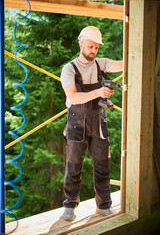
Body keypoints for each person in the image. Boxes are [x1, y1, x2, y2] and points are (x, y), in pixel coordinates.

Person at [60, 26, 123, 221]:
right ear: (81, 45)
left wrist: (133, 58)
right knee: (74, 166)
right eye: (90, 46)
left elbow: (121, 64)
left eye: (96, 47)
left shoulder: (100, 64)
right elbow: (74, 97)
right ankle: (70, 205)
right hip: (76, 123)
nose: (93, 51)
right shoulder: (69, 68)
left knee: (102, 165)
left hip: (98, 122)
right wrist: (99, 92)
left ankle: (104, 206)